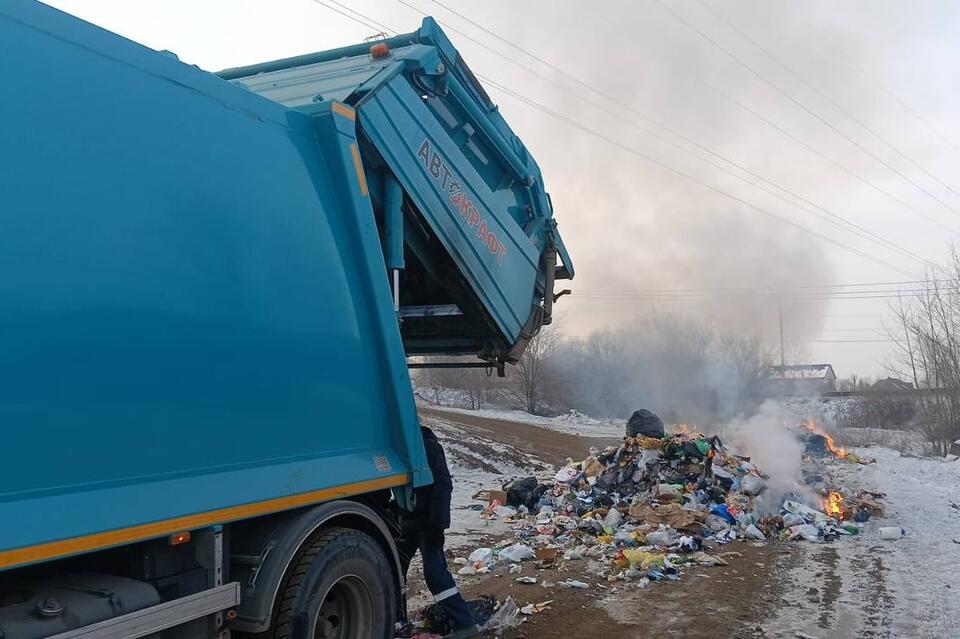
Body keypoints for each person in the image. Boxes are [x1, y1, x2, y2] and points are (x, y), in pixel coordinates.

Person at [398, 424, 479, 638]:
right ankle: (398, 622)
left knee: (434, 573)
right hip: (407, 522)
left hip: (428, 523)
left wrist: (437, 525)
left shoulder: (427, 445)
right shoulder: (400, 445)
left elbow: (443, 485)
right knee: (393, 573)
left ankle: (465, 624)